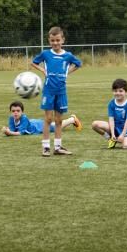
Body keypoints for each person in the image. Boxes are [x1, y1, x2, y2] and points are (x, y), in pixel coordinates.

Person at [31, 26, 82, 156]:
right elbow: (34, 63)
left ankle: (58, 147)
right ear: (49, 41)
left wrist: (67, 73)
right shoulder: (46, 54)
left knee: (59, 120)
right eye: (53, 40)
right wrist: (42, 70)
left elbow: (78, 64)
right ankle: (46, 147)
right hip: (49, 90)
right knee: (48, 119)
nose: (55, 43)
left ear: (62, 40)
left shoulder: (68, 55)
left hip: (61, 91)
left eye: (58, 40)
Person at [91, 78, 127, 149]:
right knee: (94, 124)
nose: (118, 93)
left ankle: (123, 139)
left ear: (126, 92)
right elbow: (111, 119)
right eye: (115, 91)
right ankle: (110, 138)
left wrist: (122, 135)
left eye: (120, 91)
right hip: (113, 128)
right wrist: (113, 134)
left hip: (125, 130)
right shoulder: (111, 103)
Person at [2, 100, 81, 136]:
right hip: (33, 122)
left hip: (39, 126)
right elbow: (12, 130)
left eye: (18, 111)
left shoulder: (24, 118)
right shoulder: (11, 118)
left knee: (56, 127)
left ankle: (72, 119)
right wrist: (8, 130)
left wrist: (9, 132)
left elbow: (20, 133)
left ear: (22, 112)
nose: (15, 112)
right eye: (13, 111)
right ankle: (71, 119)